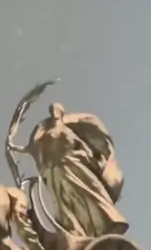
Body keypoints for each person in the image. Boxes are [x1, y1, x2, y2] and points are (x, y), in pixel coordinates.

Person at [25, 102, 128, 239]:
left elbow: (84, 148)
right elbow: (41, 153)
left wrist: (88, 156)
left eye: (57, 110)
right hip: (57, 170)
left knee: (90, 192)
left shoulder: (70, 128)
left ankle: (108, 221)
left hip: (74, 165)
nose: (54, 112)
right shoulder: (46, 133)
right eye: (52, 110)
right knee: (64, 201)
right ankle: (74, 230)